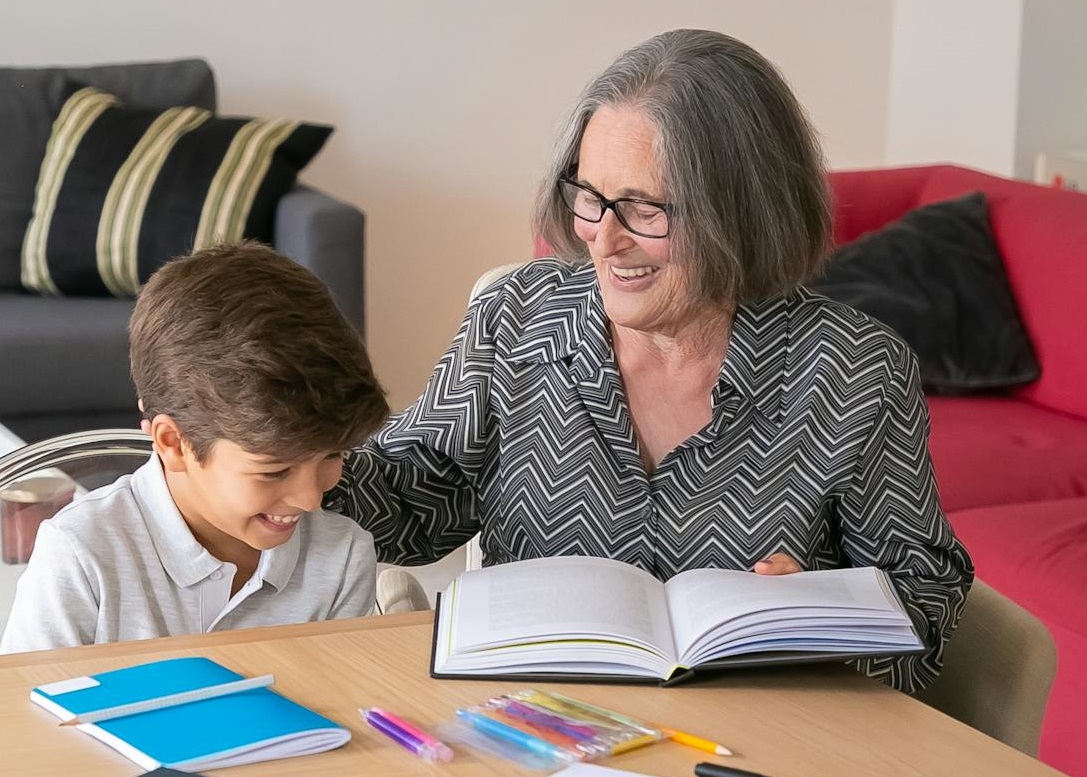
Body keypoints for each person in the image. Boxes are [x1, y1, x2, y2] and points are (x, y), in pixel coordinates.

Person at [325, 29, 972, 692]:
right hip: (535, 722)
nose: (602, 239)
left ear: (741, 211)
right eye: (590, 196)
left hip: (757, 743)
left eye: (641, 208)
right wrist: (298, 456)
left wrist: (824, 623)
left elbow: (924, 590)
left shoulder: (854, 370)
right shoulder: (515, 320)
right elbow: (408, 502)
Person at [1, 242, 390, 653]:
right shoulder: (81, 554)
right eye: (274, 471)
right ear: (173, 443)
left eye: (333, 454)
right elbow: (23, 711)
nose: (311, 498)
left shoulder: (343, 556)